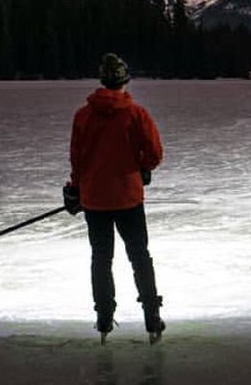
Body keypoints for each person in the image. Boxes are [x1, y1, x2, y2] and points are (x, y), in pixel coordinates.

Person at [63, 53, 165, 344]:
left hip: (95, 200)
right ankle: (152, 318)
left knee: (101, 258)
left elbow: (77, 159)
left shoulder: (83, 116)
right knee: (140, 256)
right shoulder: (136, 114)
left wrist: (75, 189)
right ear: (124, 81)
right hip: (128, 198)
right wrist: (142, 168)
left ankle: (104, 318)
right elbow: (155, 153)